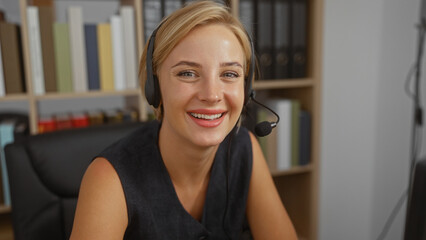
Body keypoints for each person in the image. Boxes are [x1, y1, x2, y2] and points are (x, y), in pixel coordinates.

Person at [70, 1, 297, 239]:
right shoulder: (109, 177)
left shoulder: (243, 148)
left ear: (246, 87)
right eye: (187, 73)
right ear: (154, 86)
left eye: (229, 74)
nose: (211, 95)